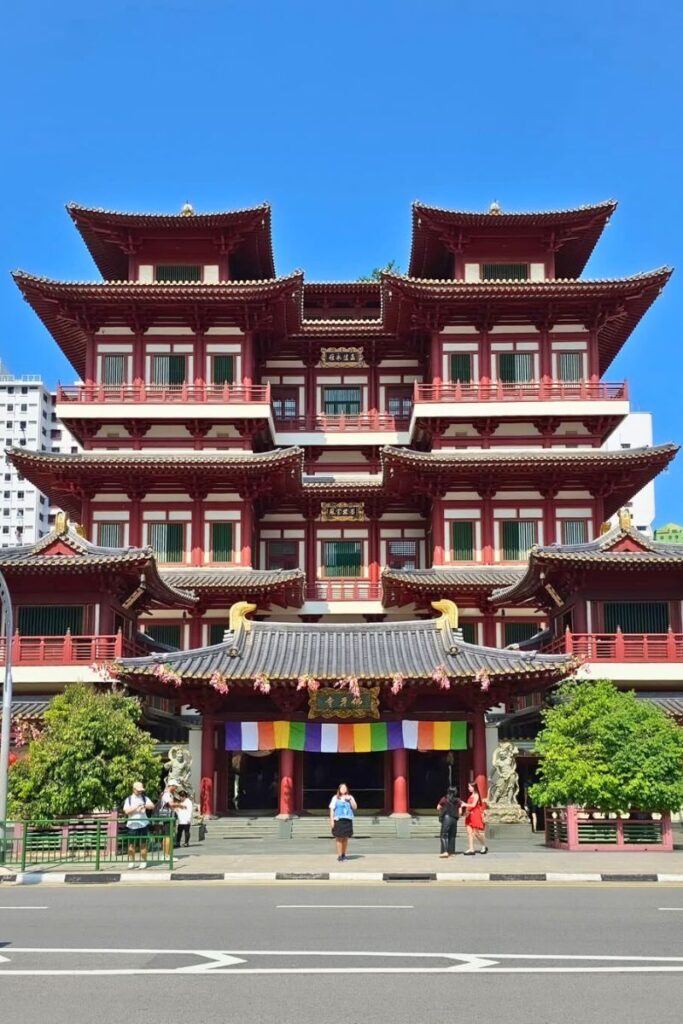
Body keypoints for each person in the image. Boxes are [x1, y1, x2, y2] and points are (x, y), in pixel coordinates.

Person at [123, 781, 155, 869]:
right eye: (138, 790)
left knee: (143, 844)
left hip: (143, 824)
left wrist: (144, 805)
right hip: (132, 825)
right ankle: (131, 862)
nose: (140, 792)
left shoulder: (144, 798)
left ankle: (143, 861)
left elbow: (152, 806)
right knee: (131, 845)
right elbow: (126, 811)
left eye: (141, 790)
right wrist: (136, 807)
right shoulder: (128, 799)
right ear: (133, 790)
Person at [329, 782, 357, 862]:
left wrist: (350, 799)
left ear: (347, 789)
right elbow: (332, 810)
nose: (343, 789)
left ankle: (344, 855)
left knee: (345, 838)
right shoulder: (335, 798)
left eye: (345, 788)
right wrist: (332, 821)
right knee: (339, 838)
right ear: (339, 789)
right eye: (342, 788)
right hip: (338, 820)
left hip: (347, 820)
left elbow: (355, 807)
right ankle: (339, 855)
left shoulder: (350, 797)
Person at [461, 781, 488, 855]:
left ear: (473, 787)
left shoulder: (476, 795)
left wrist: (464, 804)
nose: (468, 788)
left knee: (476, 833)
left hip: (475, 815)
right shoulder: (471, 795)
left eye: (469, 786)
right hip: (469, 814)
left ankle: (483, 845)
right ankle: (471, 848)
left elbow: (473, 805)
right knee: (469, 833)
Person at [436, 786, 462, 857]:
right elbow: (460, 812)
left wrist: (442, 810)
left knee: (444, 835)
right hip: (454, 819)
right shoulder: (458, 800)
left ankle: (445, 851)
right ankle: (452, 852)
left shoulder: (444, 799)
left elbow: (438, 807)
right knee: (452, 836)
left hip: (446, 818)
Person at [157, 779, 180, 857]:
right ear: (172, 786)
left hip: (169, 816)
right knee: (167, 836)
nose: (176, 788)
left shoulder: (169, 794)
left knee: (168, 836)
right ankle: (167, 855)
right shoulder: (167, 794)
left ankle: (167, 854)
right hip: (167, 817)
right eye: (175, 786)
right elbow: (170, 804)